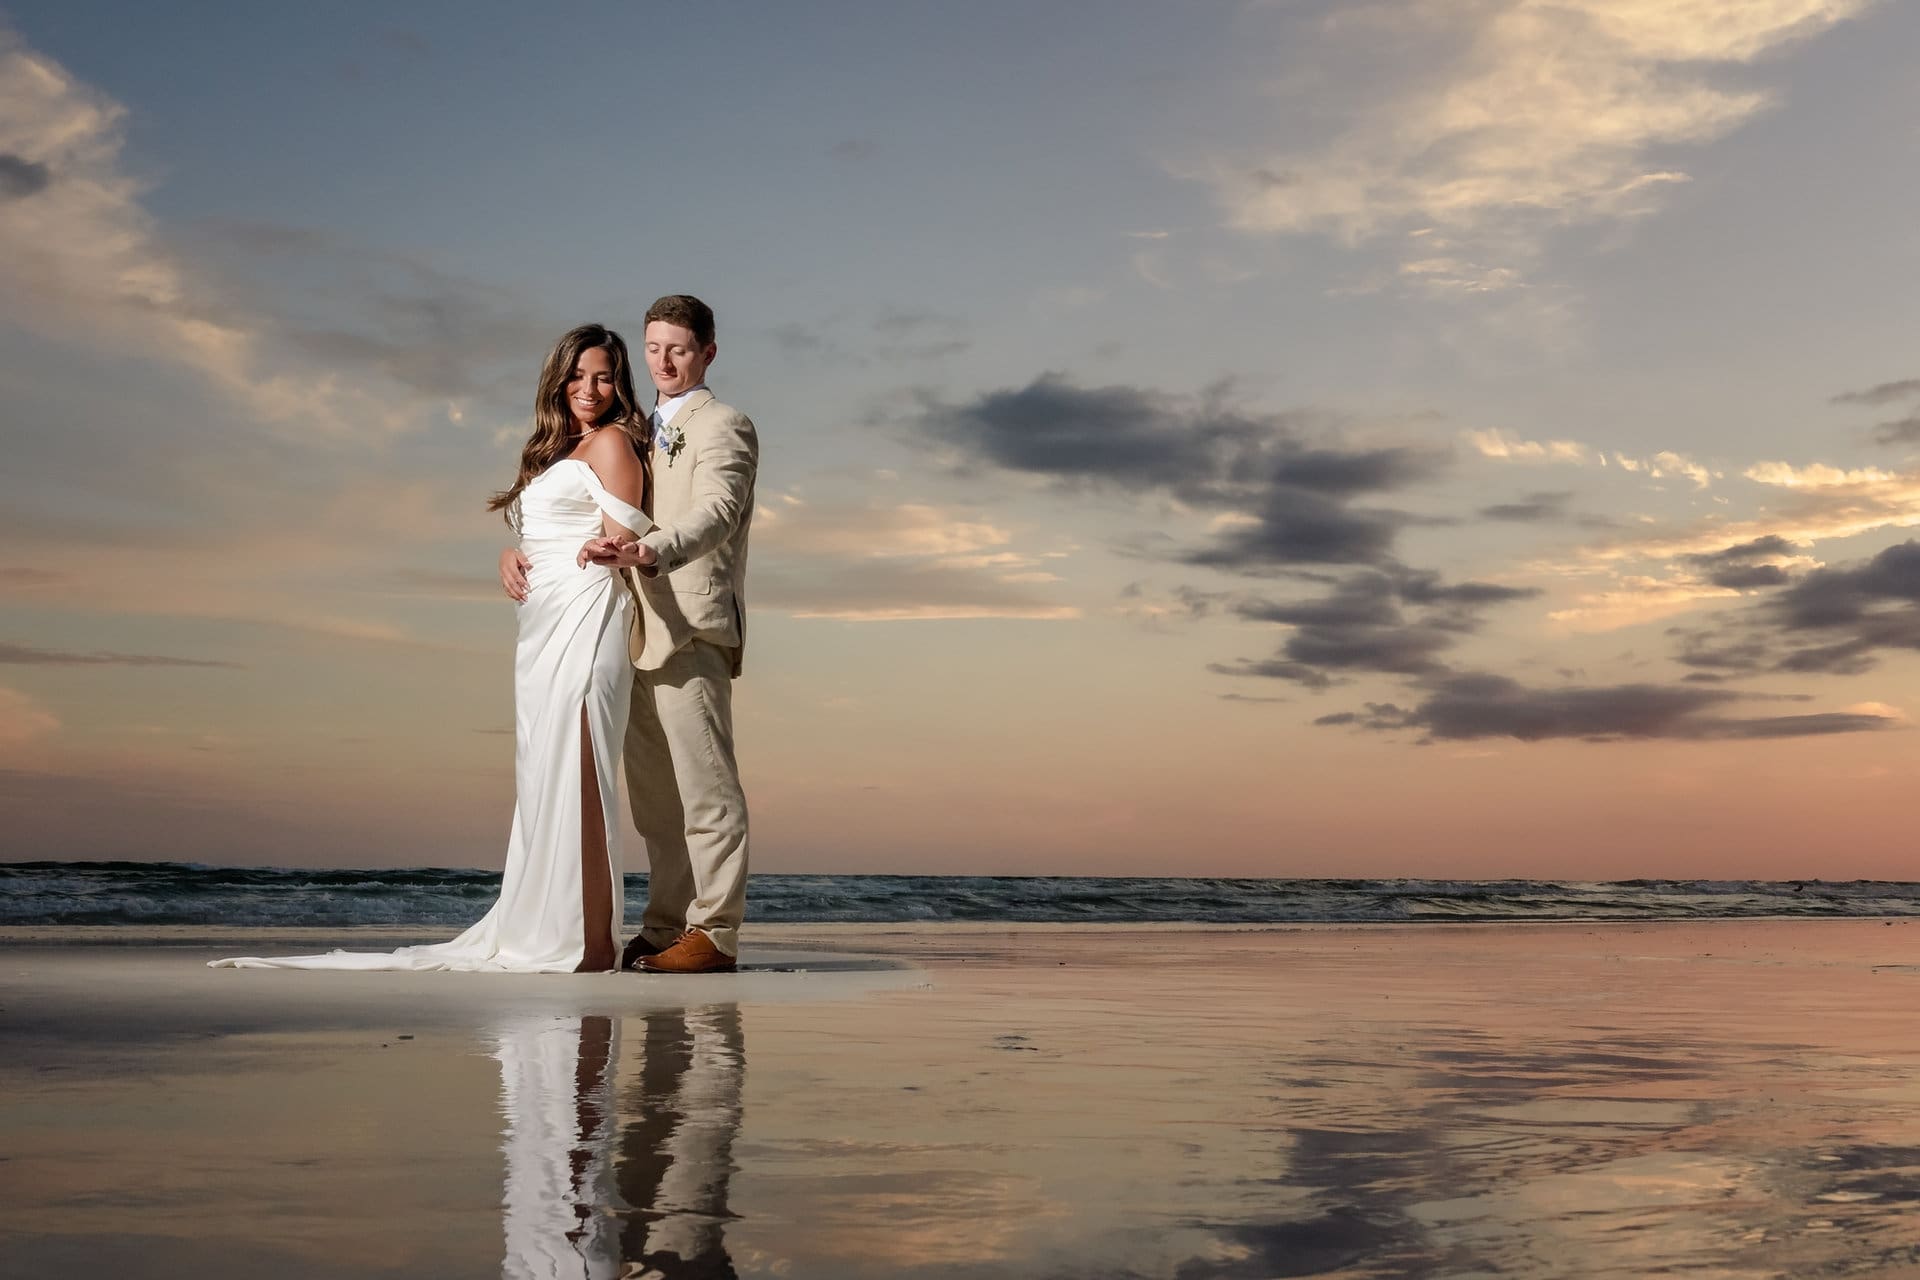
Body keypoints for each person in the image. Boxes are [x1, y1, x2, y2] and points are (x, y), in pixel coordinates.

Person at [212, 325, 649, 972]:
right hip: (541, 624)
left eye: (605, 376)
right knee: (544, 777)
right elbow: (547, 530)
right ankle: (552, 928)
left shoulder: (612, 442)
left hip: (587, 620)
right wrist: (512, 553)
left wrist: (606, 549)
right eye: (579, 375)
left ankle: (586, 943)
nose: (590, 389)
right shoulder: (557, 449)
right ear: (557, 379)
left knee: (578, 773)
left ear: (619, 384)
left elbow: (622, 537)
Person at [576, 294, 758, 975]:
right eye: (653, 348)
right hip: (630, 630)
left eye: (678, 349)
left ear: (708, 351)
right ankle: (663, 926)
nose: (664, 362)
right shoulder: (633, 429)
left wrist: (656, 550)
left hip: (692, 625)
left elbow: (718, 510)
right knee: (655, 802)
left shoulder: (724, 426)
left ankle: (715, 933)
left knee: (708, 790)